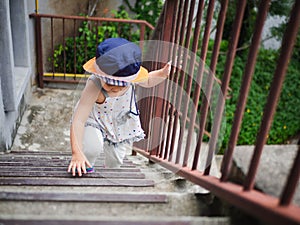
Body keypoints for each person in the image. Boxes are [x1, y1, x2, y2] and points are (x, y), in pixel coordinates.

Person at [67, 37, 171, 176]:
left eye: (122, 85)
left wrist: (162, 74)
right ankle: (83, 165)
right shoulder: (95, 84)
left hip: (119, 124)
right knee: (92, 147)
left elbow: (148, 80)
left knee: (116, 160)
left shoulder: (131, 78)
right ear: (100, 75)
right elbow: (79, 120)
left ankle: (109, 174)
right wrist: (76, 153)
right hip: (95, 120)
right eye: (109, 84)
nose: (115, 89)